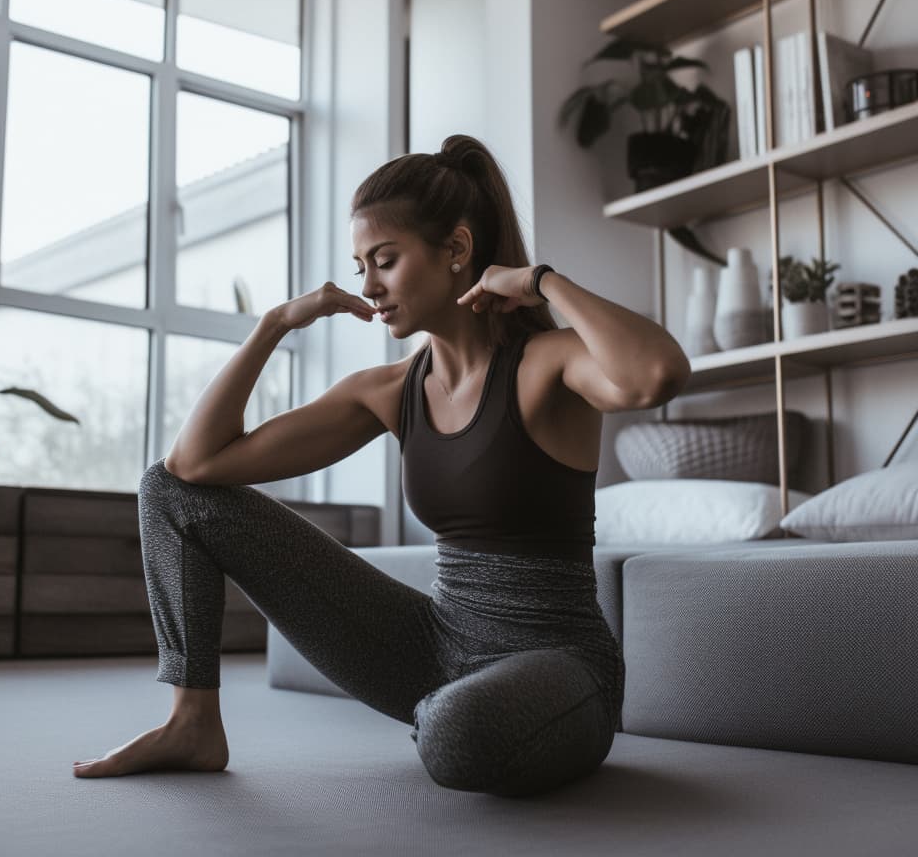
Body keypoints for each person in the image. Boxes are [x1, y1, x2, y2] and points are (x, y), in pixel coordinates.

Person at [72, 133, 690, 796]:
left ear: (456, 250)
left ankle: (454, 720)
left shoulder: (546, 364)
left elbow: (655, 374)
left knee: (459, 734)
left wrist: (543, 281)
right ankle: (192, 724)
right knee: (168, 491)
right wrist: (275, 323)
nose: (368, 285)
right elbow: (193, 466)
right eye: (360, 264)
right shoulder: (389, 390)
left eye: (385, 261)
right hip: (431, 648)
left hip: (559, 668)